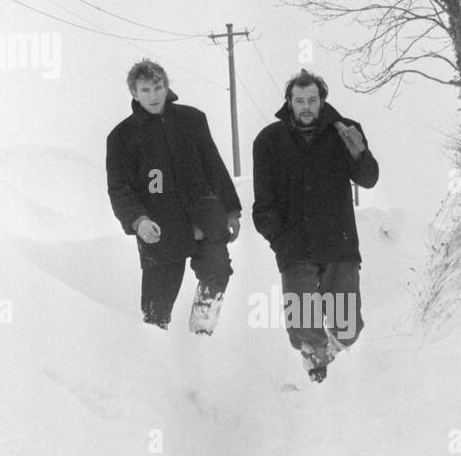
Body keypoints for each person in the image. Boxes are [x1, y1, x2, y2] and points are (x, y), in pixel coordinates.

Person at [251, 69, 379, 382]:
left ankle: (333, 352)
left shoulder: (343, 131)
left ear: (322, 101)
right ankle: (315, 372)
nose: (306, 106)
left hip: (339, 243)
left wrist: (359, 152)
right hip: (295, 247)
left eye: (312, 100)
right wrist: (279, 240)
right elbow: (263, 202)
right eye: (299, 100)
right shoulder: (269, 141)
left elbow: (369, 178)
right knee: (303, 326)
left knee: (347, 327)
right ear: (289, 103)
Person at [106, 59, 242, 333]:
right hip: (159, 228)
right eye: (145, 90)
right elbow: (119, 188)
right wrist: (138, 220)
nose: (153, 96)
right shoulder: (122, 137)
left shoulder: (192, 120)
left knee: (217, 272)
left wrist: (231, 210)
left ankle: (202, 335)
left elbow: (213, 165)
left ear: (167, 87)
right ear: (133, 93)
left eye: (158, 87)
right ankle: (157, 358)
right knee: (157, 306)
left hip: (204, 218)